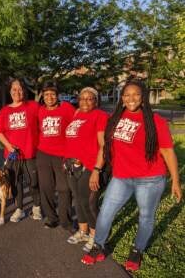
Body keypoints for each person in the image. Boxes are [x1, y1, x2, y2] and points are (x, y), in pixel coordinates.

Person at [81, 80, 182, 271]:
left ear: (143, 97)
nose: (131, 99)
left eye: (136, 94)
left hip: (150, 180)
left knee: (145, 217)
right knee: (106, 212)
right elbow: (106, 146)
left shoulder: (155, 121)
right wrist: (96, 169)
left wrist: (175, 181)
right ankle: (99, 246)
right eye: (126, 95)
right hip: (121, 177)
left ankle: (137, 250)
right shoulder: (115, 118)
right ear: (122, 98)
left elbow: (168, 152)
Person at [64, 87, 108, 252]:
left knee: (88, 203)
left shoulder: (100, 116)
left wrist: (97, 169)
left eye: (90, 98)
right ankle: (83, 231)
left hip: (89, 166)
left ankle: (96, 236)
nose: (85, 101)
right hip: (71, 165)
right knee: (78, 199)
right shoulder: (77, 114)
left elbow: (103, 145)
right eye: (82, 98)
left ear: (96, 101)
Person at [0, 78, 42, 222]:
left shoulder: (33, 106)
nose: (17, 92)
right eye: (14, 89)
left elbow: (47, 117)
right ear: (10, 92)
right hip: (13, 156)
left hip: (30, 154)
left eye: (20, 89)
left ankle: (36, 207)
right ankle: (19, 209)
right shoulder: (4, 111)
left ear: (24, 91)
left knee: (33, 182)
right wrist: (9, 146)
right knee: (16, 183)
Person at [36, 81, 75, 230]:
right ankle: (52, 218)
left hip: (62, 155)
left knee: (64, 188)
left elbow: (77, 124)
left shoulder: (66, 108)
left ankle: (66, 220)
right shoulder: (40, 111)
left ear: (57, 96)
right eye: (46, 94)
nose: (50, 97)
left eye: (52, 94)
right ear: (43, 96)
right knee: (46, 187)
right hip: (43, 154)